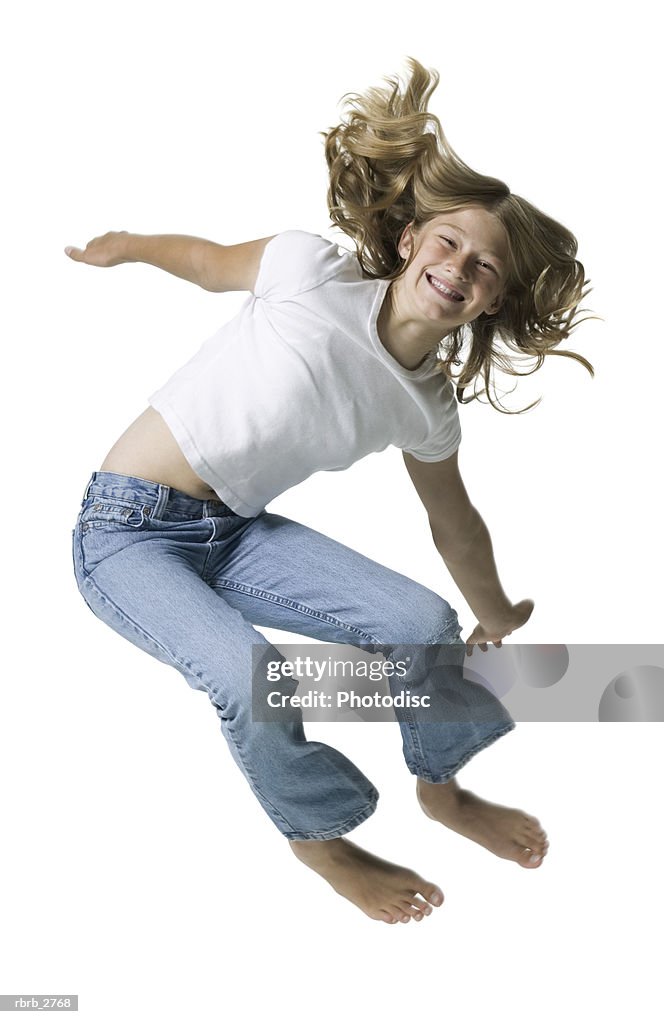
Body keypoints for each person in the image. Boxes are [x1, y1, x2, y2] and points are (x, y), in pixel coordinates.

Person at [66, 58, 592, 925]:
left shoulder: (427, 405)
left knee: (421, 625)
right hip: (125, 534)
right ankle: (321, 842)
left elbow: (455, 522)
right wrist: (128, 248)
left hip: (232, 533)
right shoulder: (309, 271)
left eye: (487, 268)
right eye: (449, 242)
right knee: (254, 673)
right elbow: (204, 262)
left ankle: (443, 789)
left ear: (491, 302)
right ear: (415, 238)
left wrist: (493, 614)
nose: (460, 267)